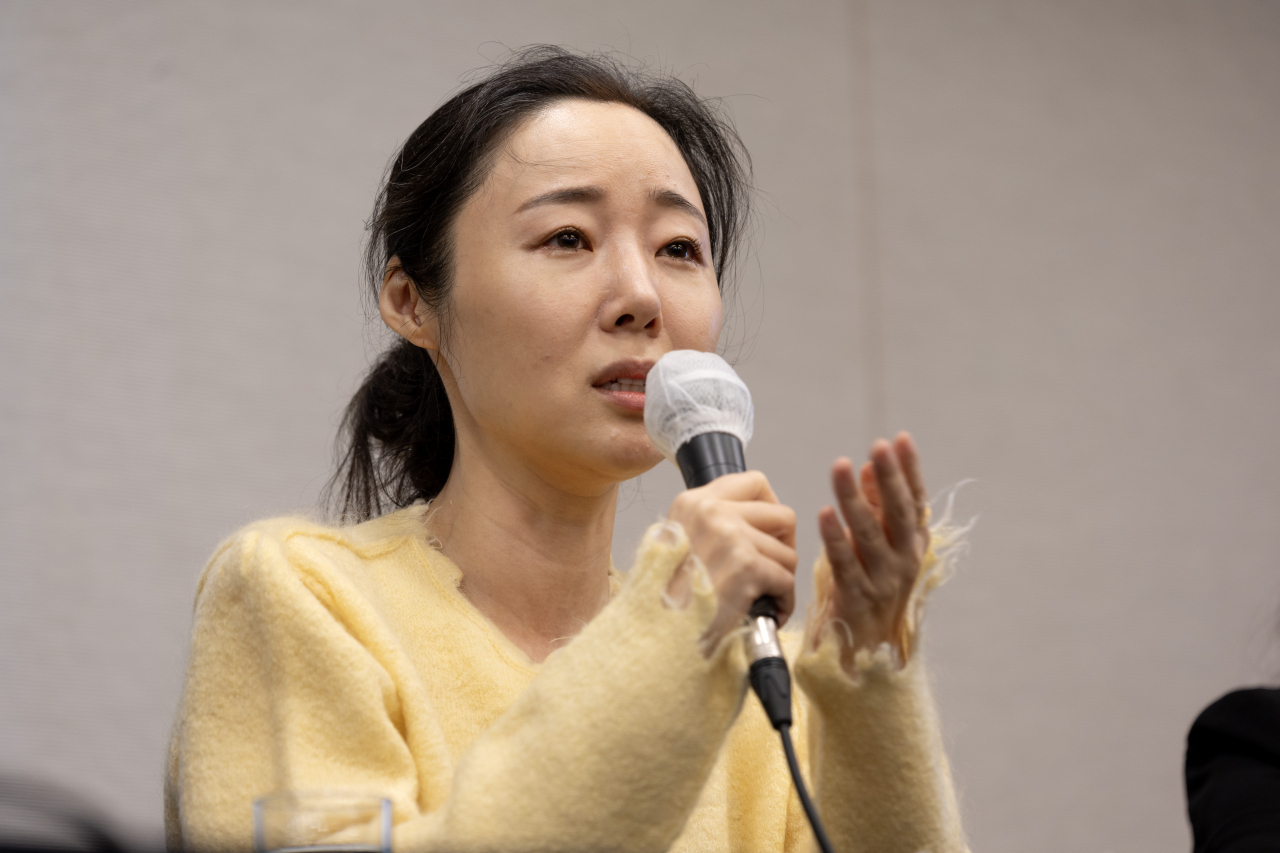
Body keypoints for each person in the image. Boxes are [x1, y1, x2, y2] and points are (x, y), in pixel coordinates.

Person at [165, 47, 968, 853]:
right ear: (412, 301)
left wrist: (867, 687)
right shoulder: (303, 596)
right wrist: (678, 626)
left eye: (679, 249)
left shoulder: (759, 674)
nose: (641, 297)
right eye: (567, 237)